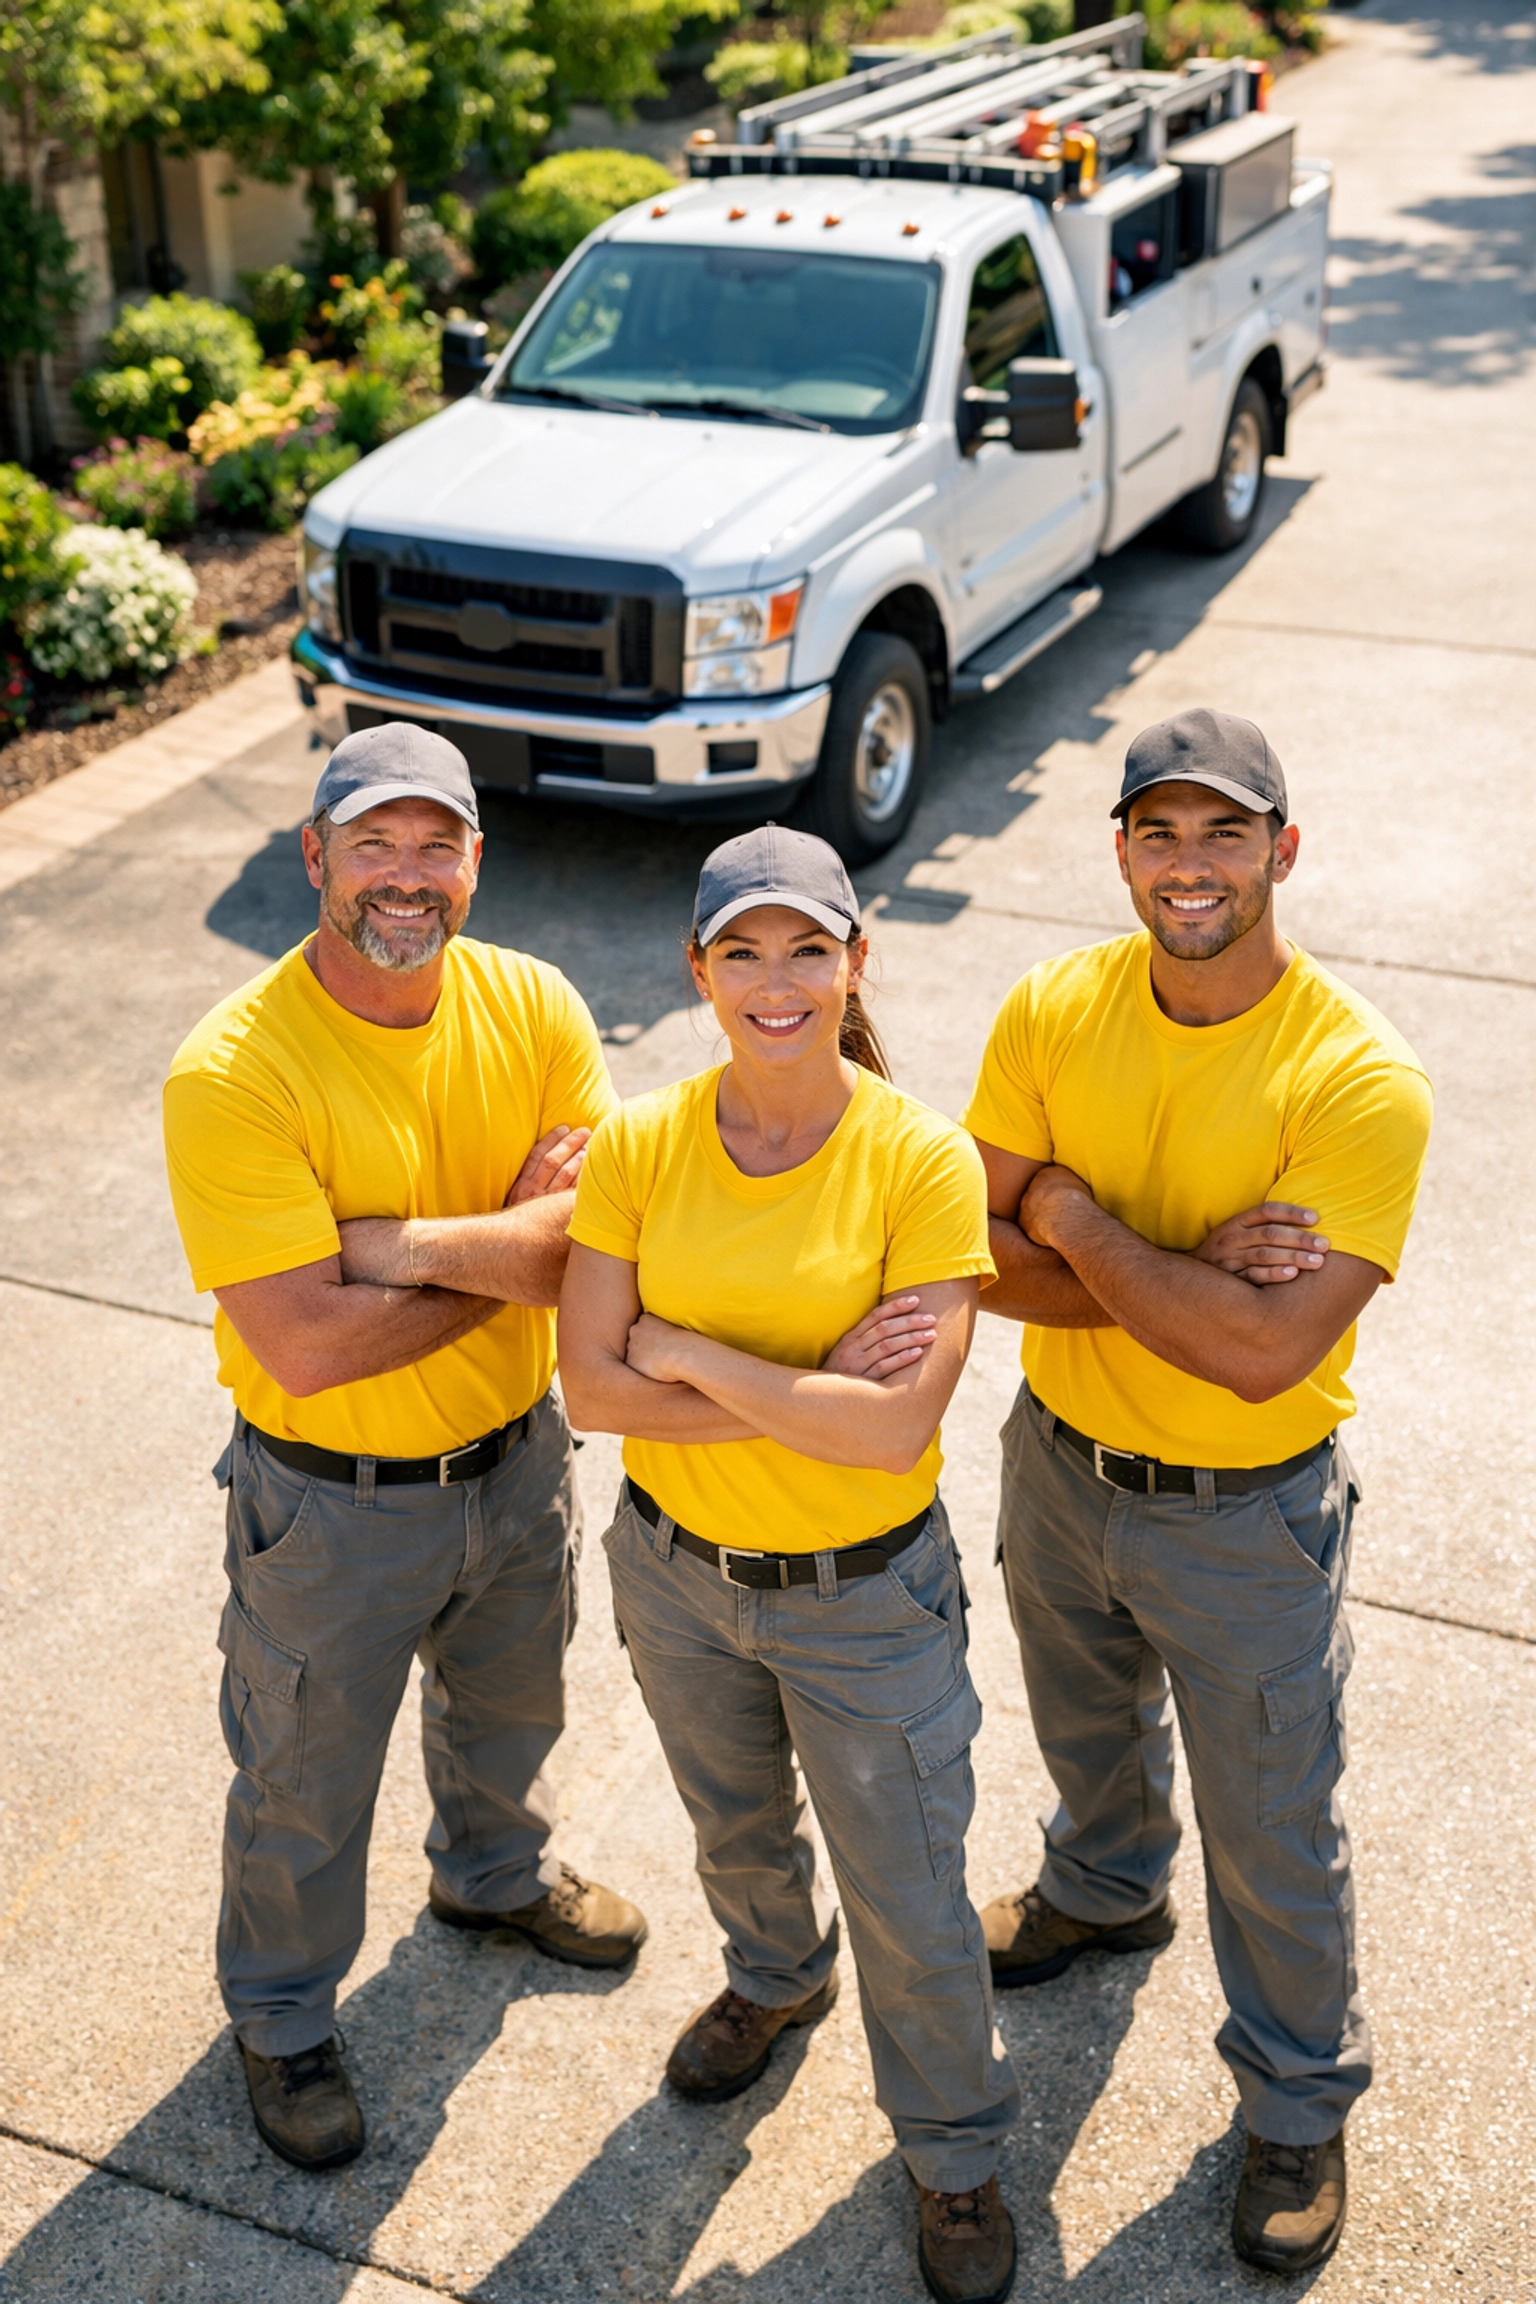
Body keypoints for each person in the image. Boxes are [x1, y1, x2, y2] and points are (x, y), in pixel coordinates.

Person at [963, 709, 1432, 2275]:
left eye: (1225, 833)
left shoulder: (1357, 1076)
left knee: (1273, 1827)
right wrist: (1173, 1266)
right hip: (1060, 1466)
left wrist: (1079, 1220)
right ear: (1120, 853)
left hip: (1246, 1513)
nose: (1189, 865)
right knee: (1087, 1735)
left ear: (1282, 853)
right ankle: (1104, 1893)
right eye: (1158, 833)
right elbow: (977, 1255)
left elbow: (1258, 1353)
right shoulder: (1052, 1006)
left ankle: (1297, 2106)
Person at [162, 722, 647, 2173]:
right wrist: (504, 1240)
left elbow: (596, 1252)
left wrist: (393, 1249)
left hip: (513, 1461)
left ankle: (492, 1880)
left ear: (476, 864)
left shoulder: (539, 1004)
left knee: (511, 1714)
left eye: (437, 844)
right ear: (314, 858)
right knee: (305, 1782)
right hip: (330, 1507)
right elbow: (308, 1343)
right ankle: (283, 2015)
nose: (407, 875)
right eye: (374, 843)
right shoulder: (234, 1071)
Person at [558, 825, 1021, 2304]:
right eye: (743, 952)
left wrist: (690, 1347)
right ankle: (773, 1977)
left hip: (865, 1600)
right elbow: (591, 1393)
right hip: (677, 1574)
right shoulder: (640, 1140)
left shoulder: (919, 1157)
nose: (777, 982)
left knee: (913, 1892)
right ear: (699, 970)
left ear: (855, 961)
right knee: (735, 1830)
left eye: (807, 949)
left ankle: (952, 2157)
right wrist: (795, 1378)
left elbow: (892, 1431)